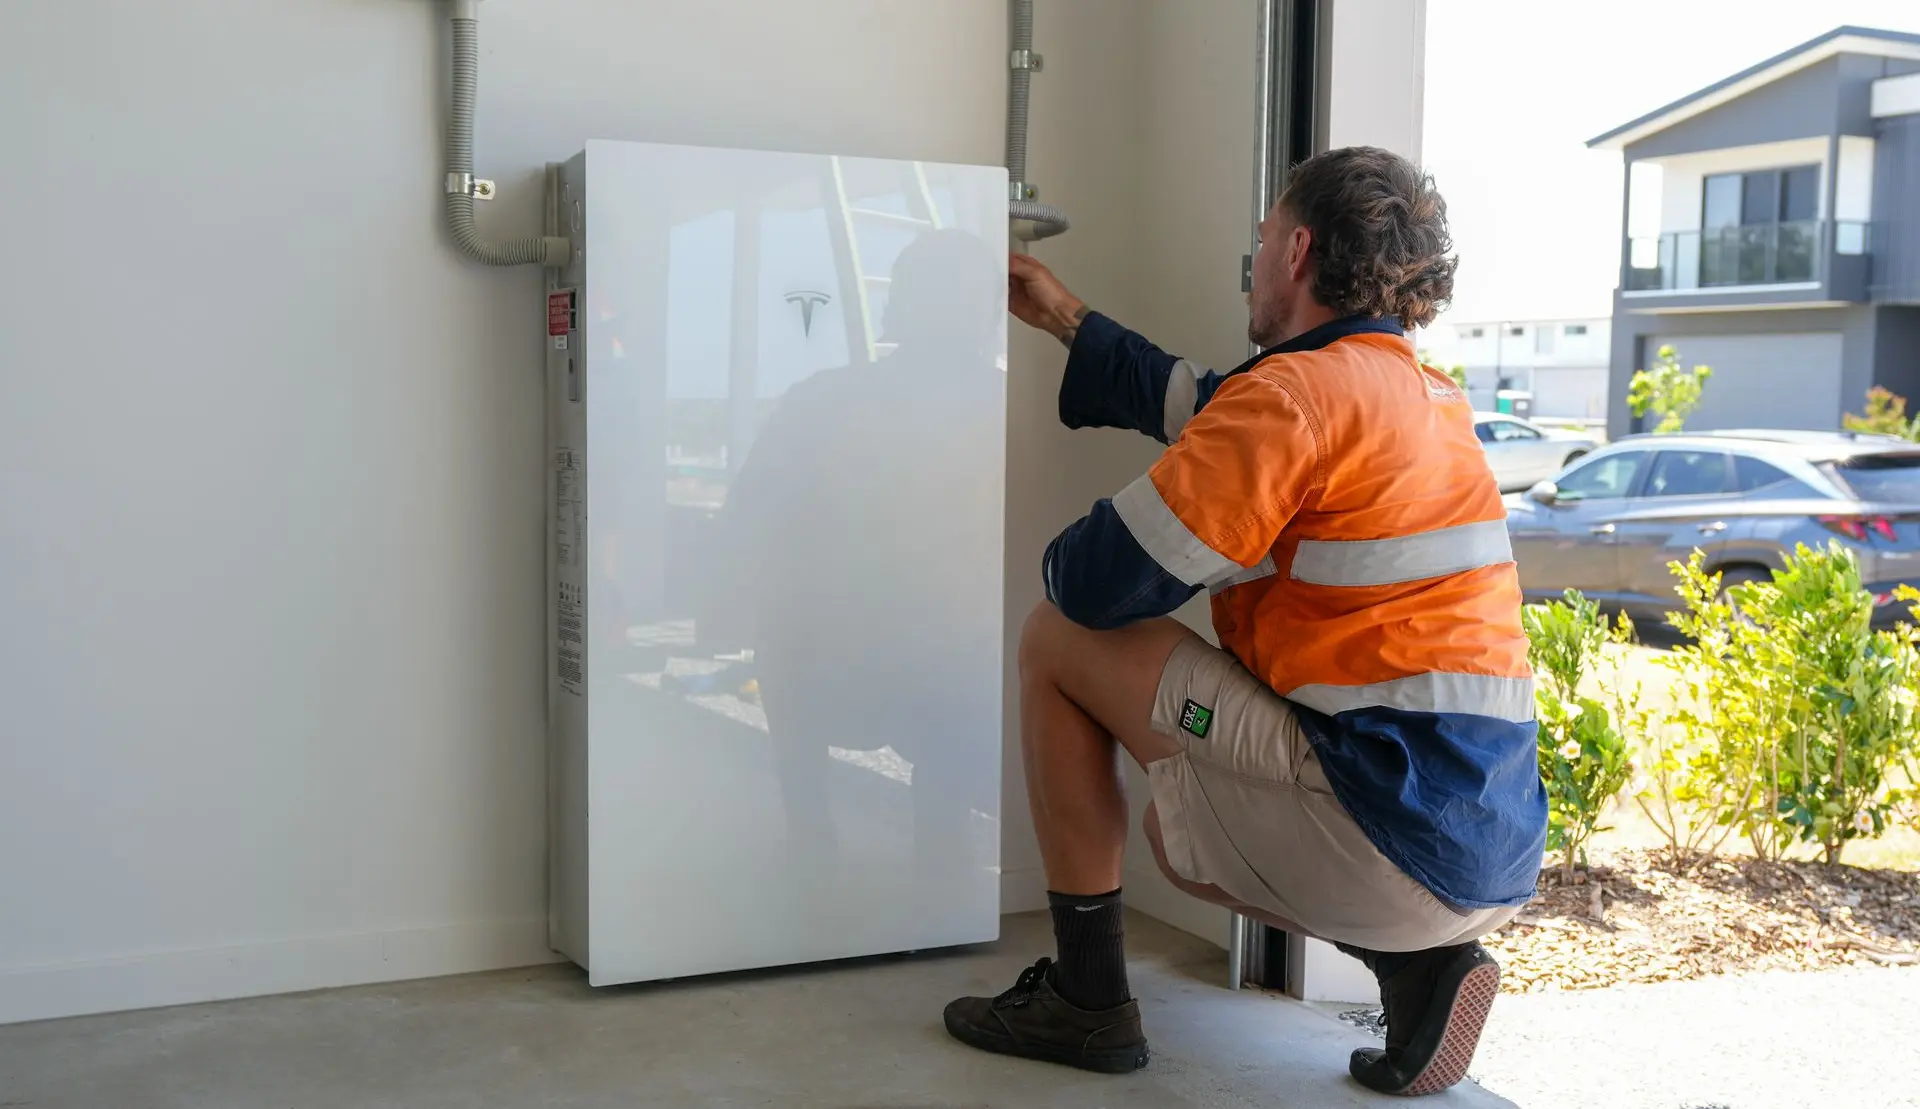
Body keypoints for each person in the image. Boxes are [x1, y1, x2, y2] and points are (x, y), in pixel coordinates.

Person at [940, 146, 1545, 1098]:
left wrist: (1088, 541)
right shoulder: (1419, 394)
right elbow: (1211, 406)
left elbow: (1098, 583)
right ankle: (1416, 964)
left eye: (1261, 238)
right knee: (1218, 766)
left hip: (1380, 833)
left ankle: (1087, 1000)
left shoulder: (1293, 398)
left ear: (1297, 249)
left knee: (1058, 637)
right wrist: (1064, 315)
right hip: (1485, 846)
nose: (1254, 258)